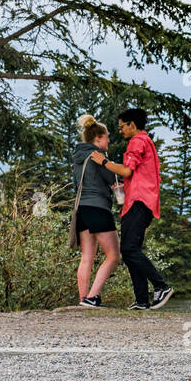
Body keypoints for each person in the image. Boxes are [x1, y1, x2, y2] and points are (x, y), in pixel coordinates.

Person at [90, 107, 173, 310]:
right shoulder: (145, 142)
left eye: (121, 127)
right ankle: (142, 300)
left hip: (139, 202)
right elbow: (134, 174)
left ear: (132, 125)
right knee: (130, 251)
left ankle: (161, 286)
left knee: (129, 249)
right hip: (137, 202)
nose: (120, 131)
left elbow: (126, 170)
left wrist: (104, 162)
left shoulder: (138, 141)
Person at [71, 114, 121, 308]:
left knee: (87, 258)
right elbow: (114, 181)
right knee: (113, 256)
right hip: (99, 209)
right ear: (98, 137)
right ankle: (93, 297)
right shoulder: (99, 157)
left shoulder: (78, 158)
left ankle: (83, 299)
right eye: (107, 136)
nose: (109, 140)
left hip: (81, 210)